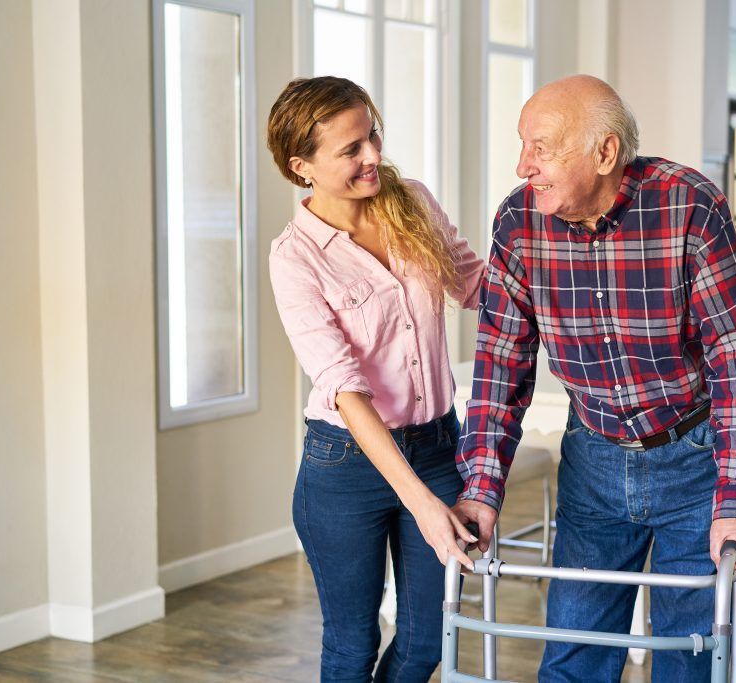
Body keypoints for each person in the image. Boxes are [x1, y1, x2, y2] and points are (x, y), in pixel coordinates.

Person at [452, 75, 736, 682]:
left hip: (693, 459)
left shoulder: (689, 206)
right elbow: (501, 363)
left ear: (604, 153)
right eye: (523, 146)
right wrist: (481, 487)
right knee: (573, 656)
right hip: (593, 460)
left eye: (540, 147)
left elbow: (735, 359)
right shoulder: (519, 223)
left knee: (688, 658)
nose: (523, 166)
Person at [266, 76, 484, 682]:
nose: (373, 158)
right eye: (351, 150)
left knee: (426, 640)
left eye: (373, 137)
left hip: (438, 447)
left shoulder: (409, 199)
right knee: (351, 645)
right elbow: (344, 386)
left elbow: (474, 285)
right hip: (345, 467)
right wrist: (423, 505)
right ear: (301, 166)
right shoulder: (295, 256)